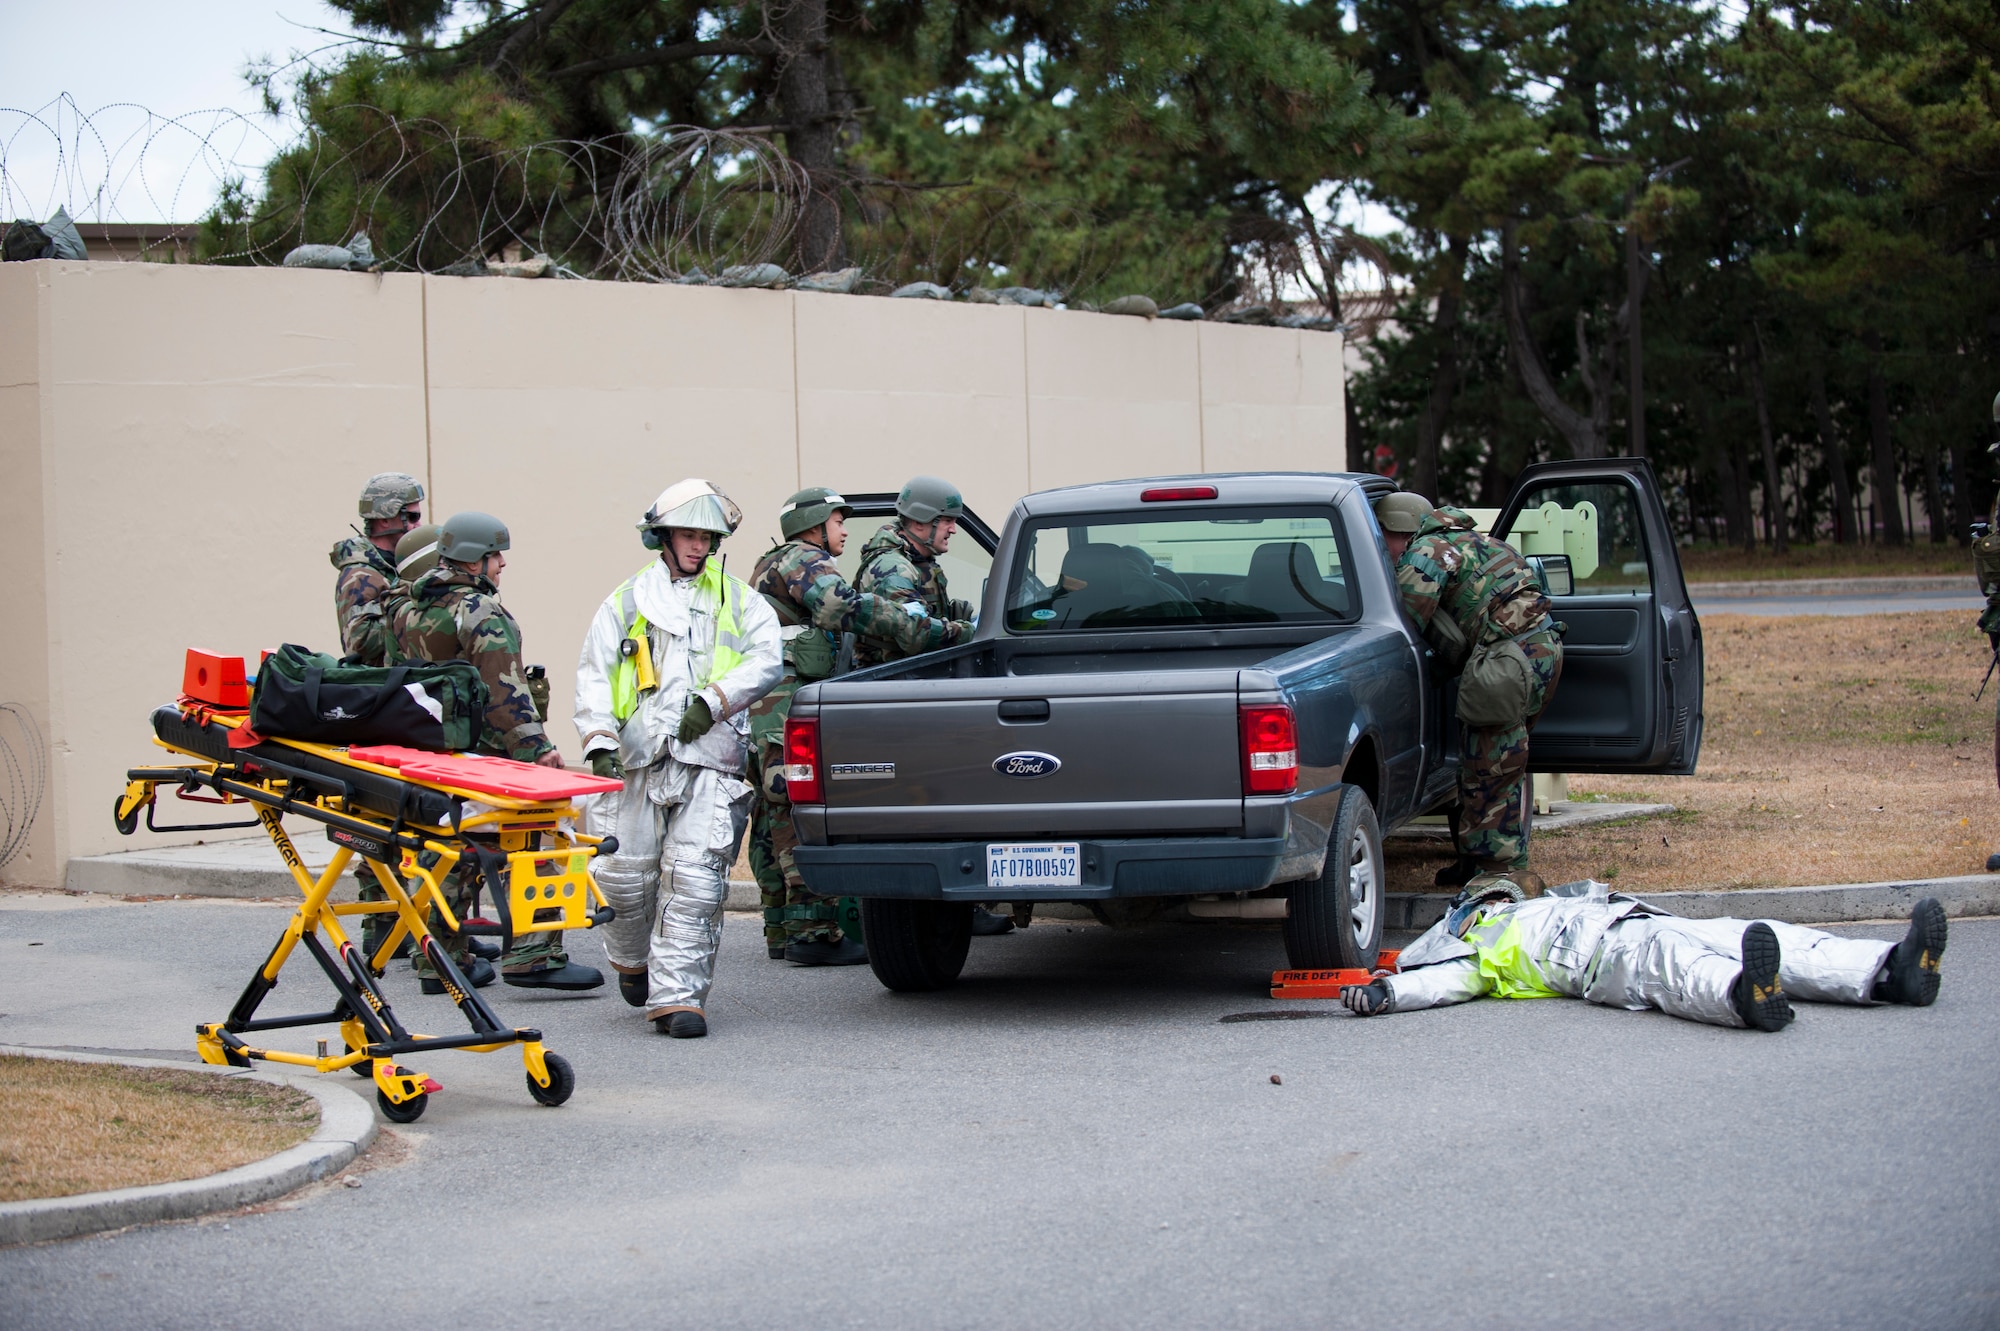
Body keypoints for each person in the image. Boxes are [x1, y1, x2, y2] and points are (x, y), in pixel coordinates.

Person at [575, 480, 782, 1037]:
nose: (698, 546)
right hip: (637, 758)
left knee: (695, 880)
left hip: (710, 757)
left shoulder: (739, 600)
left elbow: (767, 658)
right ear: (663, 537)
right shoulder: (625, 600)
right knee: (623, 877)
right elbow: (596, 672)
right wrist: (599, 742)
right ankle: (632, 963)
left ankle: (678, 999)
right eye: (688, 535)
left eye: (706, 537)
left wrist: (713, 702)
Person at [748, 487, 973, 965]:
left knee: (772, 814)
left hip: (769, 702)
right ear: (813, 525)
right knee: (795, 809)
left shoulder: (776, 560)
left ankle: (781, 930)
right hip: (784, 701)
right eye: (837, 522)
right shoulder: (804, 559)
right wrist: (928, 628)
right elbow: (841, 606)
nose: (845, 531)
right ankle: (813, 933)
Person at [395, 511, 603, 995]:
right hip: (488, 759)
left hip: (434, 753)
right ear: (474, 560)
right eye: (495, 555)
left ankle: (438, 960)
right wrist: (538, 750)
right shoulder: (481, 612)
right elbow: (504, 691)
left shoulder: (408, 609)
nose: (502, 564)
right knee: (530, 843)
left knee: (451, 851)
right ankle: (534, 955)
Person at [1339, 875, 1949, 1032]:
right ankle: (1745, 997)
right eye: (1490, 897)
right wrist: (1388, 991)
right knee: (1679, 971)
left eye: (1501, 894)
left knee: (1758, 933)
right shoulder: (1476, 950)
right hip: (1603, 962)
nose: (1500, 898)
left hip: (1639, 919)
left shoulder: (1545, 903)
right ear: (1467, 913)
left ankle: (1890, 971)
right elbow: (1439, 984)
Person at [1375, 492, 1563, 889]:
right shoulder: (1475, 542)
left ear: (1401, 532)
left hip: (1505, 663)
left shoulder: (1427, 551)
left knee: (1491, 768)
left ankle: (1500, 874)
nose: (1380, 546)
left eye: (1382, 536)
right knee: (1487, 762)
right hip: (1539, 652)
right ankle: (1475, 860)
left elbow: (1401, 623)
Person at [853, 475, 1013, 936]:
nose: (953, 530)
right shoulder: (894, 568)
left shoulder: (916, 562)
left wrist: (988, 613)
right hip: (900, 703)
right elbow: (915, 635)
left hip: (915, 698)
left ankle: (961, 906)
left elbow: (938, 611)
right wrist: (974, 633)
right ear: (922, 521)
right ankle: (946, 909)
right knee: (931, 808)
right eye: (947, 521)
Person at [332, 472, 425, 666]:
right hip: (384, 680)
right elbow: (359, 642)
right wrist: (419, 614)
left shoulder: (396, 564)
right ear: (385, 519)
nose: (419, 524)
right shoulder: (360, 575)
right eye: (412, 517)